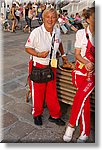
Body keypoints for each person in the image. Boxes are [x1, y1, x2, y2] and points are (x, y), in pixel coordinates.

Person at [25, 8, 70, 126]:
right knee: (38, 92)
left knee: (51, 91)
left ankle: (55, 115)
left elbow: (59, 43)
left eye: (53, 17)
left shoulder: (57, 30)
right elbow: (27, 48)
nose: (50, 19)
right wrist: (38, 54)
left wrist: (64, 55)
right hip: (38, 65)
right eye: (48, 17)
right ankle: (37, 114)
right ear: (43, 18)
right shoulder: (36, 32)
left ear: (56, 19)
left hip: (52, 64)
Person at [63, 7, 95, 143]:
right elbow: (76, 54)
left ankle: (71, 125)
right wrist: (87, 62)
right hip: (80, 72)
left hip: (93, 75)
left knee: (81, 96)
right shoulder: (81, 33)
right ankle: (84, 132)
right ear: (87, 19)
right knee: (84, 100)